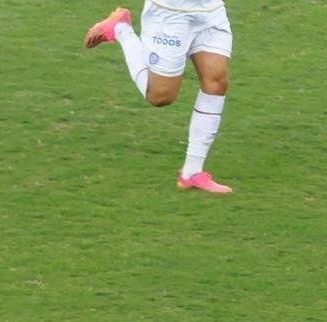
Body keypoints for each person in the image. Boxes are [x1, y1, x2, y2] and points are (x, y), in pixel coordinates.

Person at [84, 3, 234, 194]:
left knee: (217, 81)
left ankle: (192, 172)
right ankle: (120, 29)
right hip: (170, 13)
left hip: (209, 11)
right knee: (160, 96)